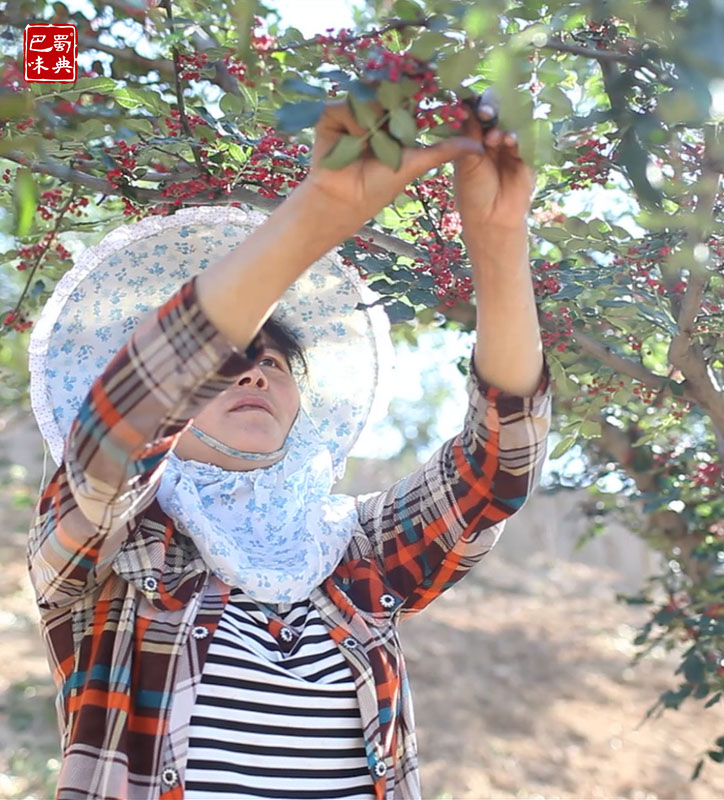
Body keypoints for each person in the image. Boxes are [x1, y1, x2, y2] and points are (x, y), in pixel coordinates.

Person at [26, 98, 552, 800]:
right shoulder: (117, 547)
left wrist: (497, 236)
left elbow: (497, 471)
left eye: (274, 363)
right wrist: (318, 214)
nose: (253, 372)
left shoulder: (350, 549)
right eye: (225, 363)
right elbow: (124, 426)